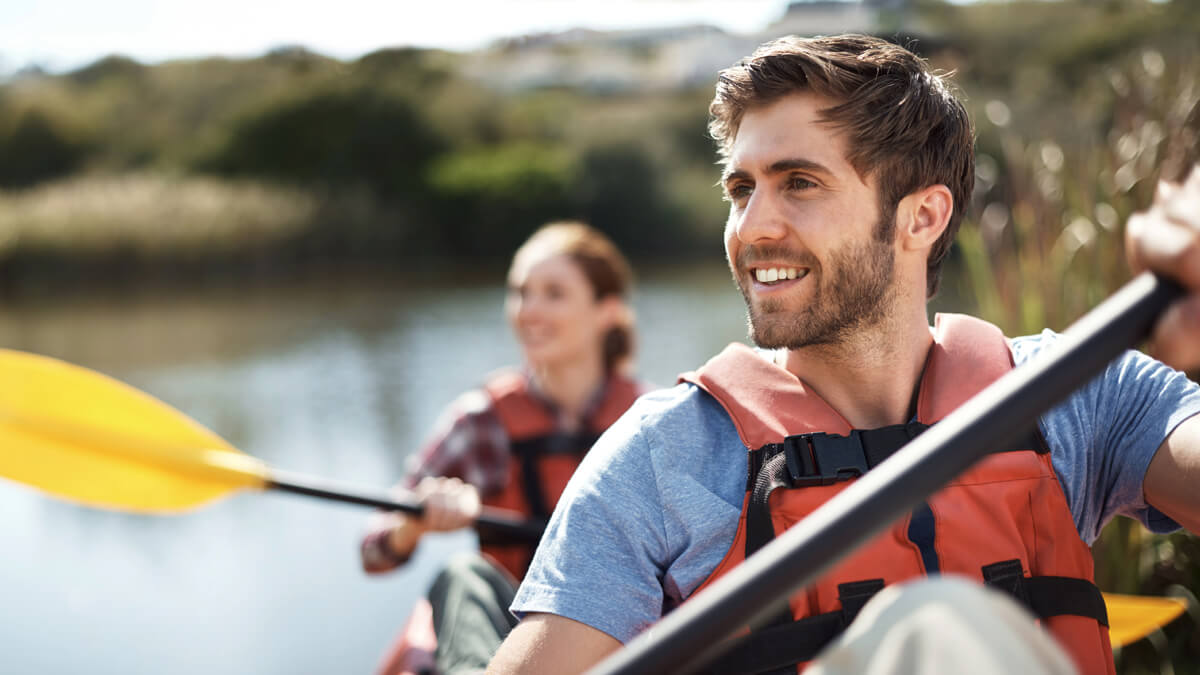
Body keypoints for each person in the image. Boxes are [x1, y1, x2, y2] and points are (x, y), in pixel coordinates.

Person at [486, 34, 1200, 674]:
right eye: (742, 189)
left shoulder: (1078, 393)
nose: (751, 227)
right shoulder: (662, 457)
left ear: (922, 215)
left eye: (799, 182)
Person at [359, 221, 647, 675]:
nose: (528, 310)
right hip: (511, 634)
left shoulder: (649, 419)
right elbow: (373, 551)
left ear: (607, 311)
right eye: (519, 292)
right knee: (462, 575)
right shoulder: (481, 421)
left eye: (553, 294)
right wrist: (416, 522)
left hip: (616, 635)